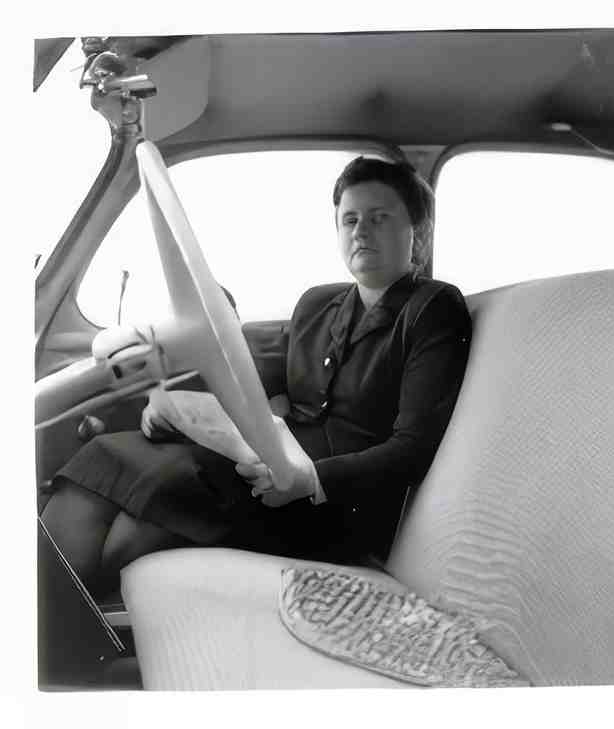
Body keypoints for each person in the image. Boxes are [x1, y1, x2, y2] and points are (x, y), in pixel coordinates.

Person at [40, 157, 472, 597]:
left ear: (418, 234)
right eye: (351, 220)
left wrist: (313, 480)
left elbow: (412, 449)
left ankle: (62, 615)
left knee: (156, 499)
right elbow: (260, 381)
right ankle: (51, 612)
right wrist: (171, 402)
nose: (361, 231)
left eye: (379, 218)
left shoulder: (433, 308)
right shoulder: (317, 304)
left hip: (334, 503)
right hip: (267, 463)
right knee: (106, 452)